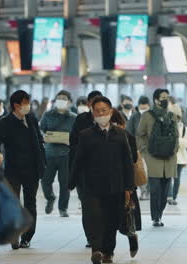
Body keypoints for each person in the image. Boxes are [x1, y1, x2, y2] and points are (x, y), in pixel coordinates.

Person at [69, 96, 134, 264]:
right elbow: (78, 160)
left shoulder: (120, 134)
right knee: (94, 217)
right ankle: (96, 249)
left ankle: (108, 252)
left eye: (104, 110)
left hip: (115, 186)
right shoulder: (86, 135)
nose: (100, 114)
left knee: (112, 220)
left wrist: (129, 187)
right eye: (97, 111)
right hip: (91, 186)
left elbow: (127, 161)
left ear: (111, 112)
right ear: (93, 113)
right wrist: (72, 181)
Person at [0, 90, 46, 249]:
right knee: (13, 203)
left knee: (30, 203)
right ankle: (13, 234)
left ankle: (27, 237)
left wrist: (43, 161)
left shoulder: (32, 118)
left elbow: (39, 140)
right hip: (13, 169)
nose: (28, 106)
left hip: (33, 169)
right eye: (25, 103)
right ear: (16, 105)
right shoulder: (4, 123)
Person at [137, 89, 179, 227]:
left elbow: (176, 136)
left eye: (167, 97)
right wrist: (144, 151)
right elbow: (140, 134)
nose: (166, 99)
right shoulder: (147, 116)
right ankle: (156, 217)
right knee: (155, 189)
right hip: (153, 158)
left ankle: (159, 214)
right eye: (163, 97)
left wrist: (175, 149)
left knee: (165, 191)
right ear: (156, 100)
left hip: (169, 157)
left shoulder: (172, 116)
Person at [69, 90, 102, 248]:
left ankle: (101, 235)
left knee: (102, 207)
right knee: (88, 207)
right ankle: (91, 237)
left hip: (105, 172)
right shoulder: (81, 120)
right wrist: (72, 174)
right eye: (94, 102)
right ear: (89, 104)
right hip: (84, 172)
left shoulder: (110, 120)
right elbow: (73, 144)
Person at [110, 109, 141, 258]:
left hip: (125, 184)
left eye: (116, 122)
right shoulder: (103, 136)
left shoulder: (128, 137)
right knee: (108, 221)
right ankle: (108, 252)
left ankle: (131, 237)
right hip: (107, 183)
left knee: (126, 216)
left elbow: (133, 159)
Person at [40, 90, 76, 218]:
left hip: (66, 154)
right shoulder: (48, 115)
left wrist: (70, 141)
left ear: (69, 102)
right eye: (59, 98)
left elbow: (77, 136)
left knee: (65, 183)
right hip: (49, 153)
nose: (61, 100)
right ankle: (50, 198)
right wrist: (45, 136)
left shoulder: (73, 118)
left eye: (64, 98)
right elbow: (41, 130)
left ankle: (63, 208)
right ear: (55, 100)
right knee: (45, 181)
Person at [167, 104, 187, 206]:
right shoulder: (166, 126)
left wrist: (176, 140)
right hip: (168, 156)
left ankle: (174, 196)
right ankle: (169, 195)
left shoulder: (183, 128)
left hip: (180, 158)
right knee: (168, 177)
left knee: (177, 178)